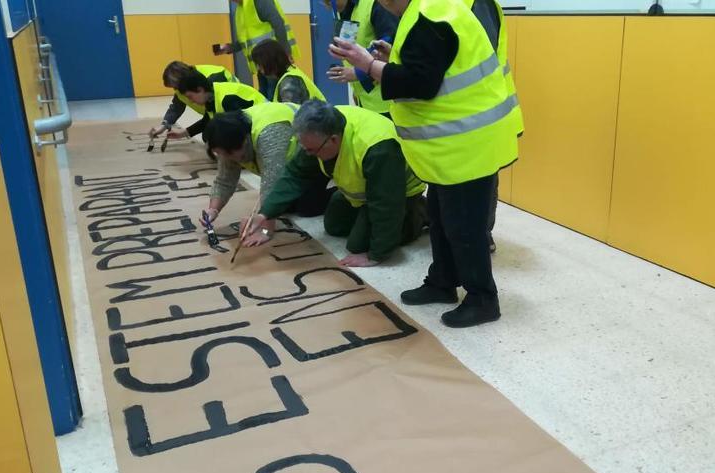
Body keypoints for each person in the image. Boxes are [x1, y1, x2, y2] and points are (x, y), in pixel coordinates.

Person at [329, 0, 519, 326]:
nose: (380, 4)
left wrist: (369, 64)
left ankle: (483, 299)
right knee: (442, 218)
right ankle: (442, 282)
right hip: (450, 144)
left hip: (466, 142)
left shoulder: (431, 16)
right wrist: (393, 59)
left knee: (465, 227)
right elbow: (438, 65)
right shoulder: (426, 10)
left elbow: (422, 84)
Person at [239, 100, 427, 268]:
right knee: (334, 225)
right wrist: (265, 214)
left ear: (334, 140)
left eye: (311, 150)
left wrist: (376, 255)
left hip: (397, 192)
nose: (308, 154)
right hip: (362, 191)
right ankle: (370, 218)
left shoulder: (377, 148)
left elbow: (386, 204)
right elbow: (294, 175)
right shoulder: (319, 134)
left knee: (358, 245)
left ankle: (420, 214)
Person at [201, 103, 331, 231]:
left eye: (227, 153)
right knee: (283, 204)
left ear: (244, 142)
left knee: (307, 206)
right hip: (294, 161)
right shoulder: (229, 138)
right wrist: (213, 210)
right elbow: (224, 180)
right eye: (220, 154)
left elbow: (271, 182)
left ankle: (337, 192)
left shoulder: (269, 135)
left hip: (316, 150)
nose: (225, 158)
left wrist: (265, 230)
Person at [464, 0, 524, 252]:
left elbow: (479, 58)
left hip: (482, 108)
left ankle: (480, 236)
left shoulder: (479, 4)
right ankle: (470, 235)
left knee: (482, 178)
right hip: (466, 109)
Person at [323, 0, 398, 116]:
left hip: (387, 101)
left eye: (328, 2)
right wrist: (357, 91)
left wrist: (357, 73)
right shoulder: (344, 10)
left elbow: (388, 47)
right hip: (365, 100)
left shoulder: (374, 5)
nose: (327, 6)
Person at [218, 0, 300, 99]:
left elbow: (278, 23)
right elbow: (246, 40)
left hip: (273, 59)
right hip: (261, 63)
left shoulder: (260, 2)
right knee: (263, 94)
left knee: (272, 94)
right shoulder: (241, 9)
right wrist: (230, 47)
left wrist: (286, 52)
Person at [149, 62, 238, 139]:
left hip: (235, 110)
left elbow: (214, 117)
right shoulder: (184, 86)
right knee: (209, 135)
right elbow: (177, 107)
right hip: (217, 113)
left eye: (175, 87)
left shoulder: (213, 80)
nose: (177, 91)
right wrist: (164, 125)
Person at [173, 70, 266, 140]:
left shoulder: (227, 100)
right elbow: (206, 121)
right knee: (209, 134)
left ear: (200, 90)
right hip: (256, 123)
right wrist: (183, 133)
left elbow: (242, 129)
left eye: (190, 96)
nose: (191, 101)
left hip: (265, 125)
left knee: (218, 135)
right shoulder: (211, 95)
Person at [250, 39, 326, 103]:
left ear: (269, 62)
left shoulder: (289, 82)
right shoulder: (291, 73)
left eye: (259, 64)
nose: (258, 68)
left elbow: (290, 114)